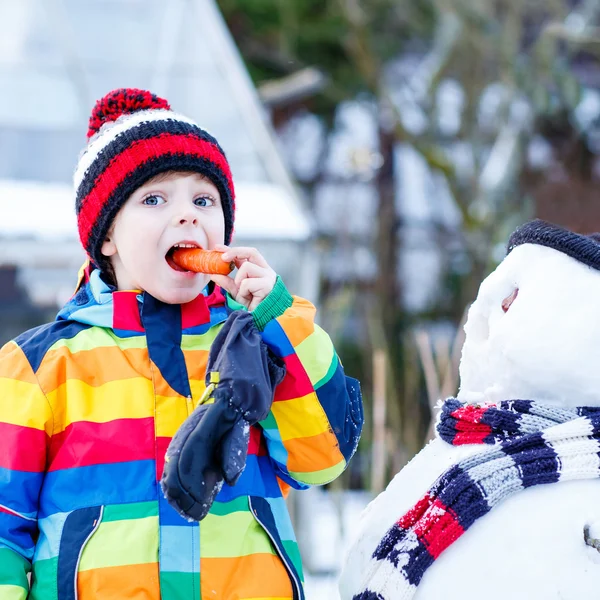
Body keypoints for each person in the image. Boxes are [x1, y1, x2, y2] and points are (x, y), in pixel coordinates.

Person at [0, 88, 363, 600]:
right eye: (154, 199)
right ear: (107, 237)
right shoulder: (37, 367)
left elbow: (322, 457)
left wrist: (281, 320)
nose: (188, 215)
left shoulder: (258, 340)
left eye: (203, 199)